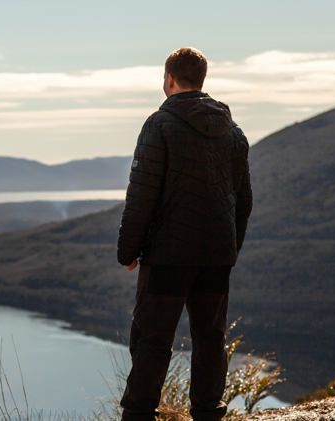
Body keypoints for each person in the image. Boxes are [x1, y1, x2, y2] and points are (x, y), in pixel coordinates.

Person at [117, 47, 253, 421]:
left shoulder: (159, 125)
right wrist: (229, 249)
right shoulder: (233, 130)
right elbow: (243, 201)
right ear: (202, 80)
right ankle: (208, 412)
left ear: (169, 79)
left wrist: (127, 250)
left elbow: (141, 194)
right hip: (216, 256)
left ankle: (139, 415)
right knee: (210, 339)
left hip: (167, 256)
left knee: (152, 339)